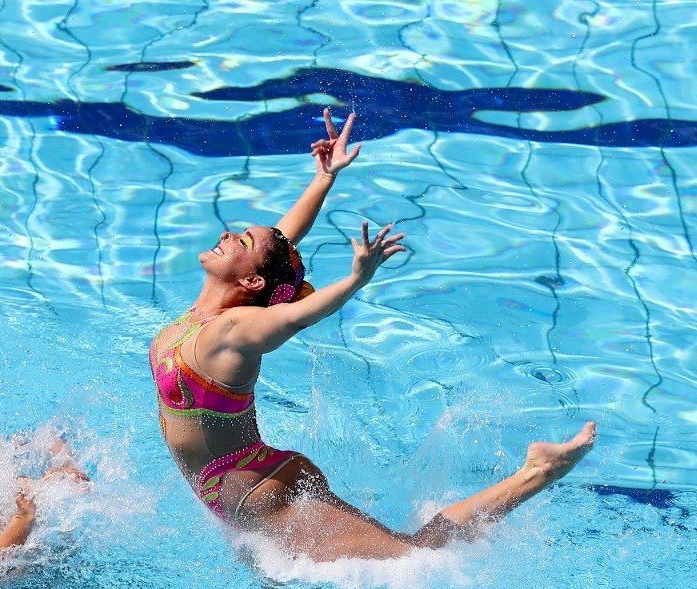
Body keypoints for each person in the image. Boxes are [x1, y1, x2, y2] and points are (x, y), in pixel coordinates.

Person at [150, 108, 596, 562]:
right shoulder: (210, 312)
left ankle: (538, 472)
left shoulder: (235, 327)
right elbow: (282, 239)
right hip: (234, 494)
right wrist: (323, 178)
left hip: (261, 491)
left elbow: (293, 317)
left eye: (241, 241)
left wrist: (355, 280)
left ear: (252, 283)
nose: (228, 234)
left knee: (414, 561)